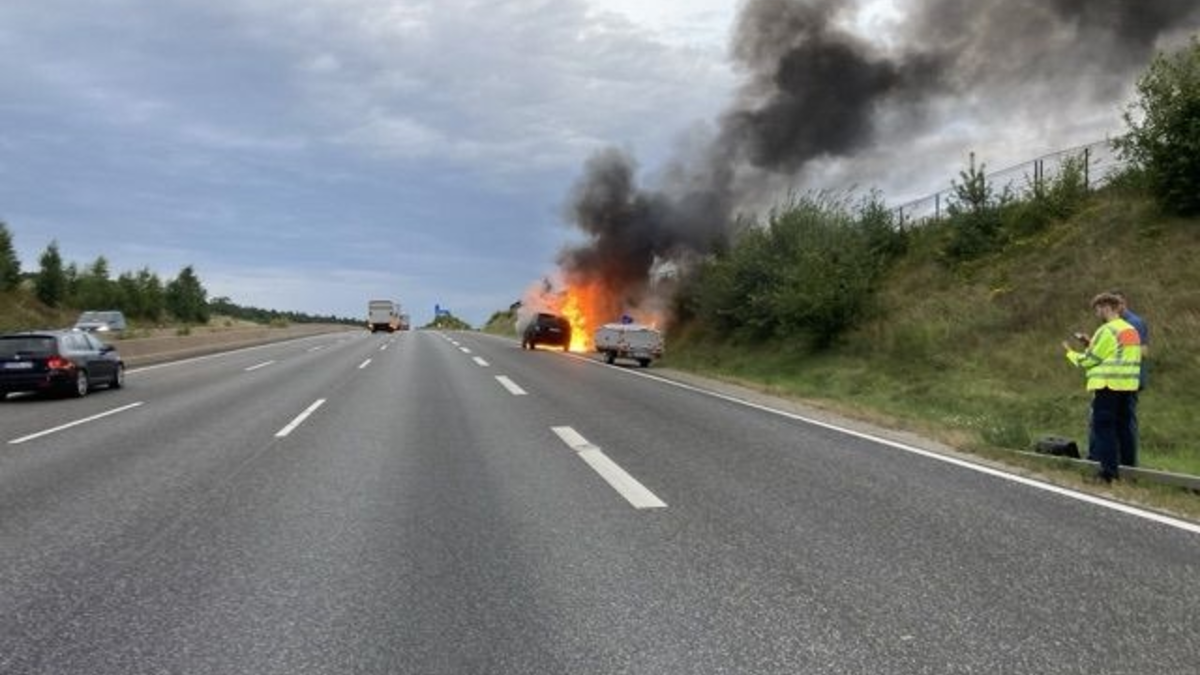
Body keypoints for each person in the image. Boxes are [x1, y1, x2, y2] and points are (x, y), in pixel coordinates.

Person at [1063, 293, 1142, 483]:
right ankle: (1129, 472)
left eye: (1097, 309)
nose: (1097, 313)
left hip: (1108, 386)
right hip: (1128, 386)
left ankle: (1108, 473)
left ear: (1105, 307)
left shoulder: (1106, 330)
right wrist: (1090, 344)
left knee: (1103, 428)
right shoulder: (1130, 330)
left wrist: (1070, 354)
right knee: (1125, 429)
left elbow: (1090, 360)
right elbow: (1117, 353)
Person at [1111, 289, 1148, 467]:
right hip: (1118, 380)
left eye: (1115, 304)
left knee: (1126, 422)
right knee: (1116, 421)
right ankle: (1116, 461)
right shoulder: (1117, 324)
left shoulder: (1133, 323)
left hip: (1129, 381)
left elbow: (1142, 351)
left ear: (1123, 304)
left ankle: (1129, 465)